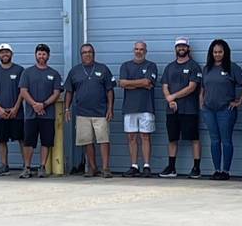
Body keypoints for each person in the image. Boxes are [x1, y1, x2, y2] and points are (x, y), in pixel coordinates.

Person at [64, 43, 116, 178]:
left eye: (90, 52)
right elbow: (69, 91)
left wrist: (110, 108)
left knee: (103, 140)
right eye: (84, 52)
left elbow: (110, 90)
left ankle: (106, 168)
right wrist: (66, 109)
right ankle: (93, 168)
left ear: (94, 54)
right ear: (81, 55)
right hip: (82, 113)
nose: (87, 54)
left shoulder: (103, 69)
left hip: (101, 112)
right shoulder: (74, 71)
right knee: (87, 141)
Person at [200, 39, 242, 180]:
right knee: (214, 140)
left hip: (226, 110)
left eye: (220, 52)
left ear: (225, 52)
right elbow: (202, 87)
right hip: (209, 110)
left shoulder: (232, 68)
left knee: (226, 140)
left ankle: (226, 171)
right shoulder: (206, 68)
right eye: (215, 52)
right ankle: (217, 170)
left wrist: (239, 101)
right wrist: (201, 102)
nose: (217, 54)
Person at [159, 37, 202, 179]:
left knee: (193, 138)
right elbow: (165, 85)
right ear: (175, 48)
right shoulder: (169, 67)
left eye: (184, 46)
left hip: (189, 109)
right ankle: (171, 167)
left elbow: (192, 87)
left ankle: (196, 168)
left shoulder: (194, 66)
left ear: (188, 48)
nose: (181, 48)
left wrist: (173, 97)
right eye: (179, 46)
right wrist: (169, 99)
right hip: (172, 109)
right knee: (172, 139)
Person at [18, 44, 61, 178]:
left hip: (48, 115)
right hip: (31, 115)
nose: (41, 56)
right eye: (39, 54)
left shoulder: (54, 74)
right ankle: (27, 167)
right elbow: (23, 91)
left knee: (46, 142)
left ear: (48, 56)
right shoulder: (27, 72)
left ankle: (42, 167)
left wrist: (43, 104)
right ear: (35, 55)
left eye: (44, 54)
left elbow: (56, 93)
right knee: (28, 142)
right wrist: (35, 105)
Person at [119, 41, 158, 177]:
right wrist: (141, 83)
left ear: (146, 51)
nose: (138, 51)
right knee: (131, 137)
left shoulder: (151, 66)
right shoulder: (125, 65)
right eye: (136, 49)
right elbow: (122, 83)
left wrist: (131, 83)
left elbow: (148, 82)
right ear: (133, 50)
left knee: (145, 137)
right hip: (129, 108)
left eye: (141, 49)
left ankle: (146, 166)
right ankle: (134, 166)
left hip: (146, 107)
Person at [0, 43, 25, 176]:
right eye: (2, 52)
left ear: (11, 54)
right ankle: (4, 166)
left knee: (21, 139)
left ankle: (26, 166)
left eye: (7, 52)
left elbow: (22, 91)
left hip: (17, 113)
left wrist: (16, 108)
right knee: (2, 140)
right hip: (0, 113)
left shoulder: (20, 70)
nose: (4, 54)